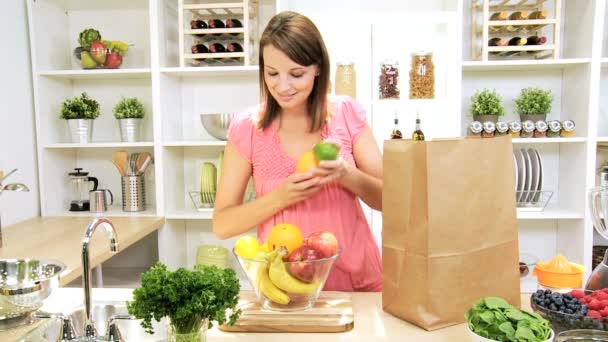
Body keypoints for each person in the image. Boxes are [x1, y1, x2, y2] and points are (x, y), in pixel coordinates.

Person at [212, 11, 383, 291]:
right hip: (284, 287)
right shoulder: (246, 129)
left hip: (358, 282)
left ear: (317, 68)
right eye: (272, 73)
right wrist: (280, 197)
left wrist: (345, 173)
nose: (283, 86)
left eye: (296, 74)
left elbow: (389, 199)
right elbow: (222, 224)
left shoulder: (347, 114)